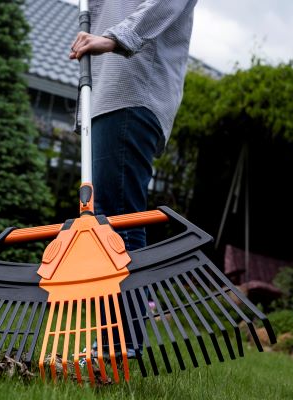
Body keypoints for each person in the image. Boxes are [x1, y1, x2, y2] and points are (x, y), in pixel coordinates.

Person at [69, 0, 198, 360]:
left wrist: (114, 38)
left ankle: (121, 340)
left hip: (131, 92)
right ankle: (112, 337)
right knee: (106, 221)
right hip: (105, 95)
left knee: (120, 218)